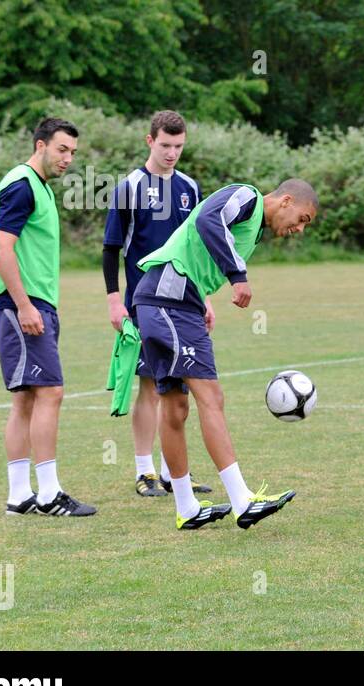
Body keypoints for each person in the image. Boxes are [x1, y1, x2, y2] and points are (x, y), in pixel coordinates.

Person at [132, 179, 318, 530]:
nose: (300, 228)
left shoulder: (254, 229)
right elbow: (207, 221)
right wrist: (237, 276)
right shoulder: (246, 196)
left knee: (175, 405)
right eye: (303, 218)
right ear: (286, 200)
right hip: (169, 300)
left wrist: (201, 297)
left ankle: (186, 508)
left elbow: (194, 247)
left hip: (167, 299)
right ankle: (242, 499)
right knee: (211, 396)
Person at [0, 117, 97, 518]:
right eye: (61, 149)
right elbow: (2, 248)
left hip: (36, 304)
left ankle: (20, 496)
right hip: (24, 305)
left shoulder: (41, 188)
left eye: (72, 152)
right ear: (40, 145)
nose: (67, 158)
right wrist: (25, 305)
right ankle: (49, 494)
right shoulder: (22, 184)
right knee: (50, 392)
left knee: (27, 399)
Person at [102, 110, 214, 498]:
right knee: (151, 386)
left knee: (180, 386)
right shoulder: (129, 187)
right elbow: (111, 248)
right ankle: (144, 471)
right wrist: (115, 300)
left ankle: (173, 473)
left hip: (185, 302)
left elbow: (196, 249)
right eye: (165, 145)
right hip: (144, 303)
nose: (172, 153)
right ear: (149, 141)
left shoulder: (190, 188)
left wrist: (206, 298)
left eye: (179, 146)